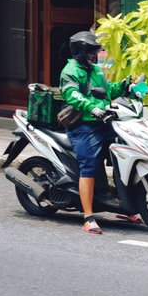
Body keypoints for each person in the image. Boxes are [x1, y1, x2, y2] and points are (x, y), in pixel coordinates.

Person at [59, 30, 127, 235]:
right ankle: (88, 217)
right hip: (82, 125)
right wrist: (92, 107)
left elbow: (109, 91)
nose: (94, 55)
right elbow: (72, 95)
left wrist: (125, 86)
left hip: (103, 122)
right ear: (79, 52)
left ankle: (127, 205)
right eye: (91, 51)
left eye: (95, 51)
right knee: (89, 164)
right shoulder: (70, 71)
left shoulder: (97, 70)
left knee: (123, 154)